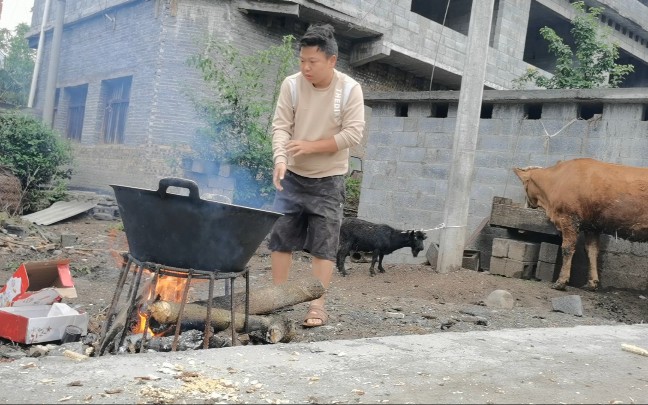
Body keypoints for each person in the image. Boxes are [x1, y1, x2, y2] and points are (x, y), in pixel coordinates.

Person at [269, 23, 365, 327]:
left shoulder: (349, 89)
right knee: (280, 237)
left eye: (313, 62)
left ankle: (317, 305)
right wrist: (280, 158)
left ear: (332, 61)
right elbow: (281, 126)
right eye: (302, 61)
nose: (306, 67)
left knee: (325, 243)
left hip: (329, 177)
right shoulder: (292, 84)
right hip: (293, 175)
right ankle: (278, 297)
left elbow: (353, 134)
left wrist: (311, 147)